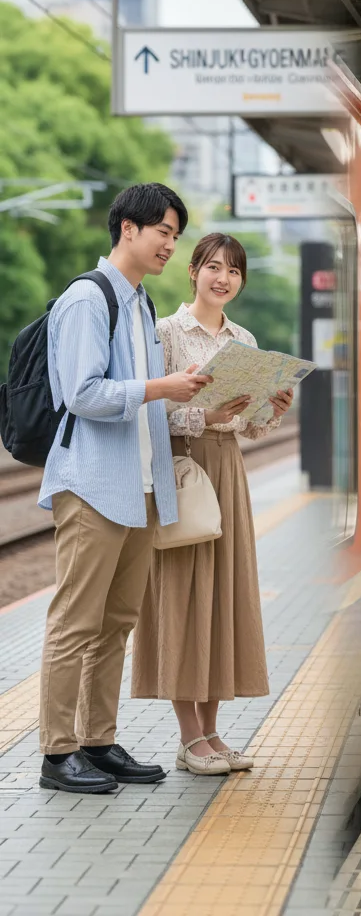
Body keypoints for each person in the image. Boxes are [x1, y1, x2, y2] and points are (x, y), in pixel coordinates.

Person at [37, 183, 212, 794]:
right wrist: (161, 387)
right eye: (162, 230)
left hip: (138, 486)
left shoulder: (139, 302)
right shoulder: (88, 299)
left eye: (174, 232)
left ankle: (97, 740)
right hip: (91, 484)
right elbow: (81, 393)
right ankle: (58, 754)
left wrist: (203, 400)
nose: (169, 242)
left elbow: (145, 396)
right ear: (127, 230)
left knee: (116, 622)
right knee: (74, 622)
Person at [132, 234, 294, 775]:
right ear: (193, 272)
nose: (222, 278)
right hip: (183, 471)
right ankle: (187, 738)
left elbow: (247, 427)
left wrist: (271, 410)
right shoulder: (167, 333)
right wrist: (211, 413)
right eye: (213, 267)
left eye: (233, 271)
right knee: (182, 594)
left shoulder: (243, 338)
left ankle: (212, 730)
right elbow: (156, 411)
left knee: (222, 594)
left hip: (227, 470)